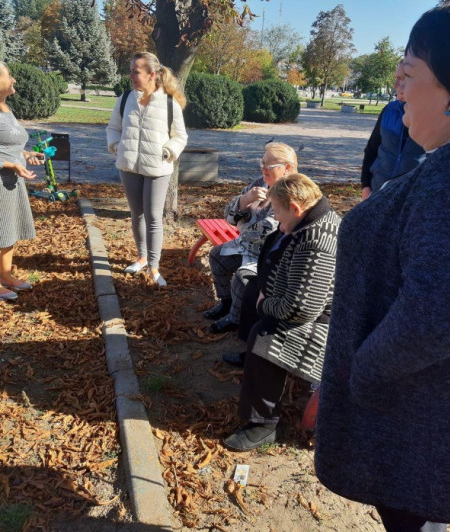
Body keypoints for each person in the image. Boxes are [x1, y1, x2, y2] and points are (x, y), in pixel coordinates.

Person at [315, 0, 450, 532]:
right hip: (438, 418)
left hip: (423, 427)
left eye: (408, 74)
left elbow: (435, 315)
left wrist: (360, 372)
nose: (398, 90)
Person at [223, 173, 341, 451]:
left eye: (277, 211)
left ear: (296, 208)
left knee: (265, 335)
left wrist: (266, 304)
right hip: (299, 303)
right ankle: (251, 362)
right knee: (251, 292)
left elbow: (302, 309)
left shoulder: (317, 241)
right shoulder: (308, 218)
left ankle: (263, 424)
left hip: (326, 322)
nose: (275, 217)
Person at [106, 52, 188, 288]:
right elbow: (113, 128)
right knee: (136, 213)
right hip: (129, 166)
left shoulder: (169, 103)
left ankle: (154, 267)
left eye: (136, 71)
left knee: (153, 218)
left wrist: (167, 151)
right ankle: (141, 257)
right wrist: (116, 144)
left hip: (158, 169)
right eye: (131, 70)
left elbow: (180, 136)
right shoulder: (124, 99)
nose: (131, 75)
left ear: (152, 74)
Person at [204, 142, 297, 334]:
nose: (263, 168)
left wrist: (242, 222)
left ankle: (235, 318)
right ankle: (226, 302)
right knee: (216, 256)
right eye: (261, 163)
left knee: (243, 277)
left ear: (286, 168)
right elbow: (228, 216)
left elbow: (267, 231)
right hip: (249, 246)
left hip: (272, 256)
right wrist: (245, 200)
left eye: (268, 166)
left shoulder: (292, 192)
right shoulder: (260, 183)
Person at [0, 62, 43, 301]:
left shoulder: (5, 108)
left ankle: (5, 275)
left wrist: (26, 155)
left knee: (7, 229)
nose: (14, 79)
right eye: (9, 76)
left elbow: (9, 145)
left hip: (11, 183)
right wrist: (10, 165)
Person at [361, 61, 425, 200]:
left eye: (402, 78)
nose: (395, 85)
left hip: (411, 201)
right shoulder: (389, 110)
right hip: (377, 195)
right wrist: (366, 187)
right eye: (395, 78)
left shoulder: (434, 119)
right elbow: (372, 149)